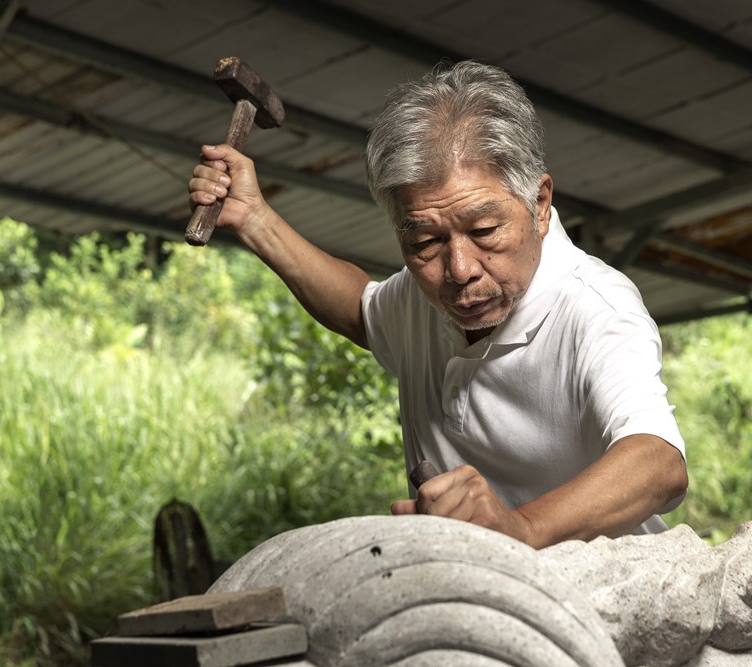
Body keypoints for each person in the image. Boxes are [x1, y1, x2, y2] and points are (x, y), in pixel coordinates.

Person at [188, 60, 687, 548]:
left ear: (539, 204)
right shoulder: (419, 295)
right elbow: (360, 311)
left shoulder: (597, 309)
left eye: (484, 230)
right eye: (424, 240)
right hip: (476, 593)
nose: (460, 270)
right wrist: (255, 219)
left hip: (608, 596)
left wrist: (523, 529)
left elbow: (659, 462)